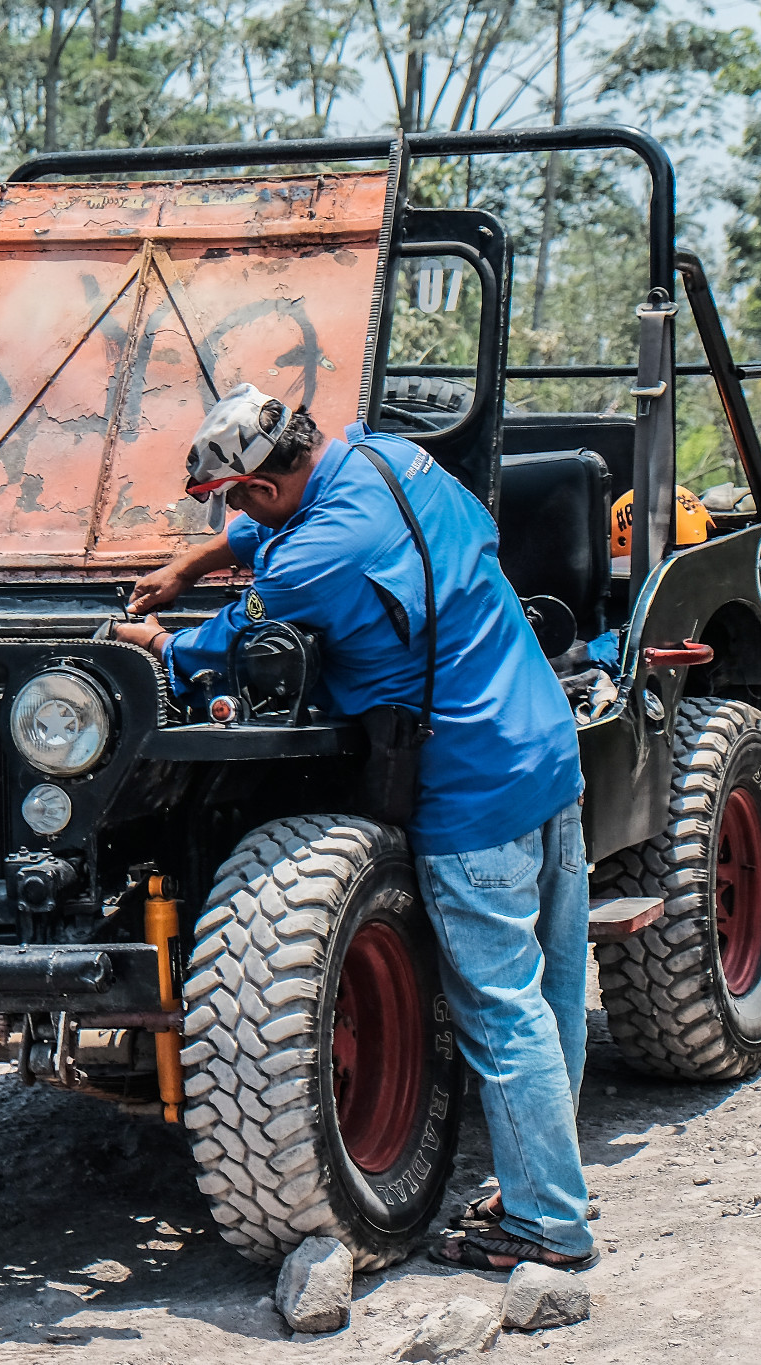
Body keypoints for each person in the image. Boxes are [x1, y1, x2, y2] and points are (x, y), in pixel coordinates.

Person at [114, 385, 596, 1271]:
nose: (231, 512)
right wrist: (192, 563)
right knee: (551, 986)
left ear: (257, 487)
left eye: (230, 497)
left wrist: (161, 646)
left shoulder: (305, 569)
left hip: (468, 784)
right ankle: (546, 1178)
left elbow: (233, 633)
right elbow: (293, 523)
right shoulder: (390, 457)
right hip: (543, 740)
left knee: (497, 1010)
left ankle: (548, 1226)